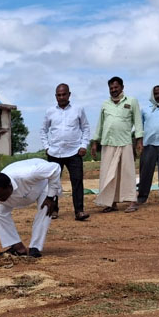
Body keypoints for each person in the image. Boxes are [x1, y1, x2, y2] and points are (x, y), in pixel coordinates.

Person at [0, 158, 61, 261]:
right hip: (24, 194)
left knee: (46, 208)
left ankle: (35, 247)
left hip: (43, 186)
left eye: (1, 196)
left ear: (9, 186)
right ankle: (18, 247)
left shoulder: (28, 174)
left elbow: (55, 168)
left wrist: (51, 196)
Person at [91, 76, 143, 213]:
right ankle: (111, 203)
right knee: (108, 174)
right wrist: (95, 142)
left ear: (122, 87)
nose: (113, 90)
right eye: (111, 88)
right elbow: (100, 124)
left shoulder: (131, 102)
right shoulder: (105, 104)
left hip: (125, 142)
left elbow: (138, 122)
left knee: (127, 173)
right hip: (108, 143)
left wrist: (139, 140)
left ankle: (133, 201)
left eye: (116, 87)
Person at [40, 83, 91, 221]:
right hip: (55, 153)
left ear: (69, 94)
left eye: (64, 94)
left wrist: (84, 145)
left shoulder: (78, 109)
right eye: (59, 95)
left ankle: (79, 211)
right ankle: (54, 209)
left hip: (74, 152)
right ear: (55, 96)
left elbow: (85, 128)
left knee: (77, 182)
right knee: (53, 183)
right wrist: (47, 147)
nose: (61, 97)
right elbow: (43, 130)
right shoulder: (50, 111)